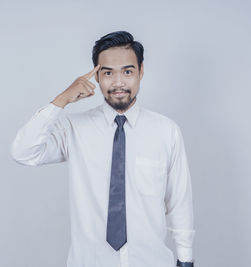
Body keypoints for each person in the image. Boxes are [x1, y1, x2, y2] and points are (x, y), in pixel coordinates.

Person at [10, 31, 195, 267]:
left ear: (141, 71)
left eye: (127, 72)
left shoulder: (166, 131)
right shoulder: (73, 129)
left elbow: (180, 199)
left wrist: (186, 259)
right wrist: (62, 99)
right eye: (108, 73)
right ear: (96, 76)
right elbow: (23, 152)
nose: (118, 82)